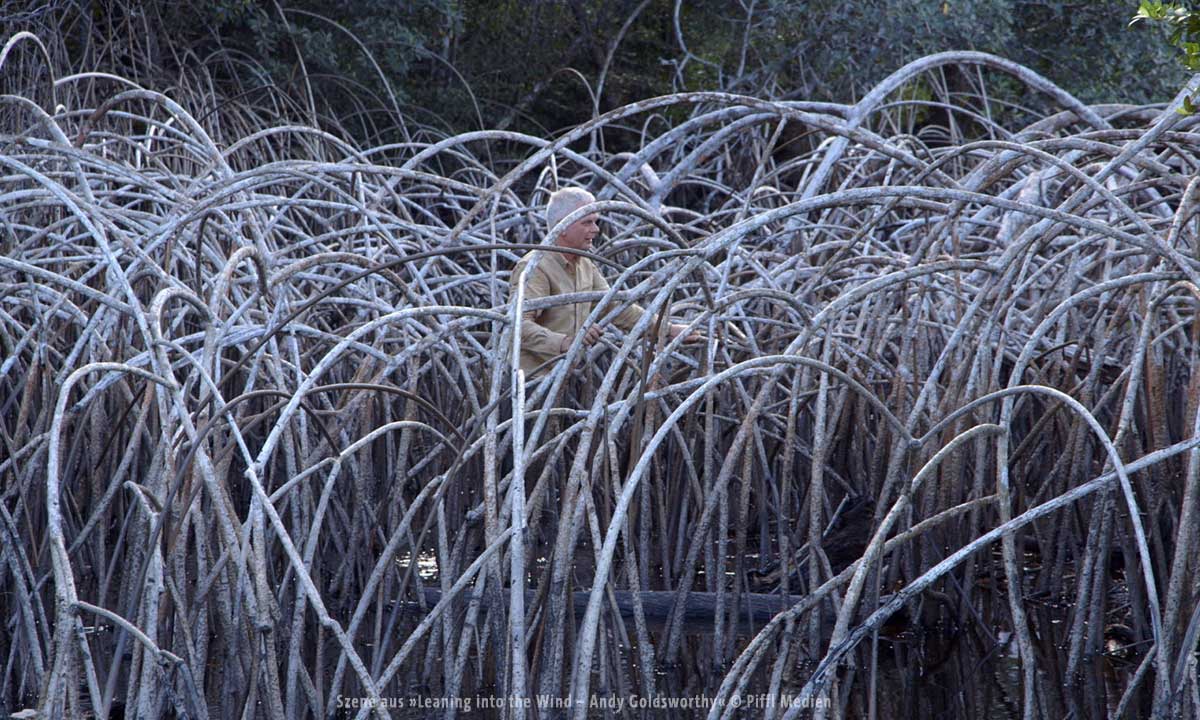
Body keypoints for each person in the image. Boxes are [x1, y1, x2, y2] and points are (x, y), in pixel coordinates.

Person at [508, 187, 695, 378]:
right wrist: (565, 342)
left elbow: (616, 307)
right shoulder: (535, 267)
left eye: (595, 222)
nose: (596, 229)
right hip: (527, 382)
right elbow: (517, 324)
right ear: (562, 226)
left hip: (563, 377)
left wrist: (667, 329)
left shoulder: (584, 264)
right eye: (587, 222)